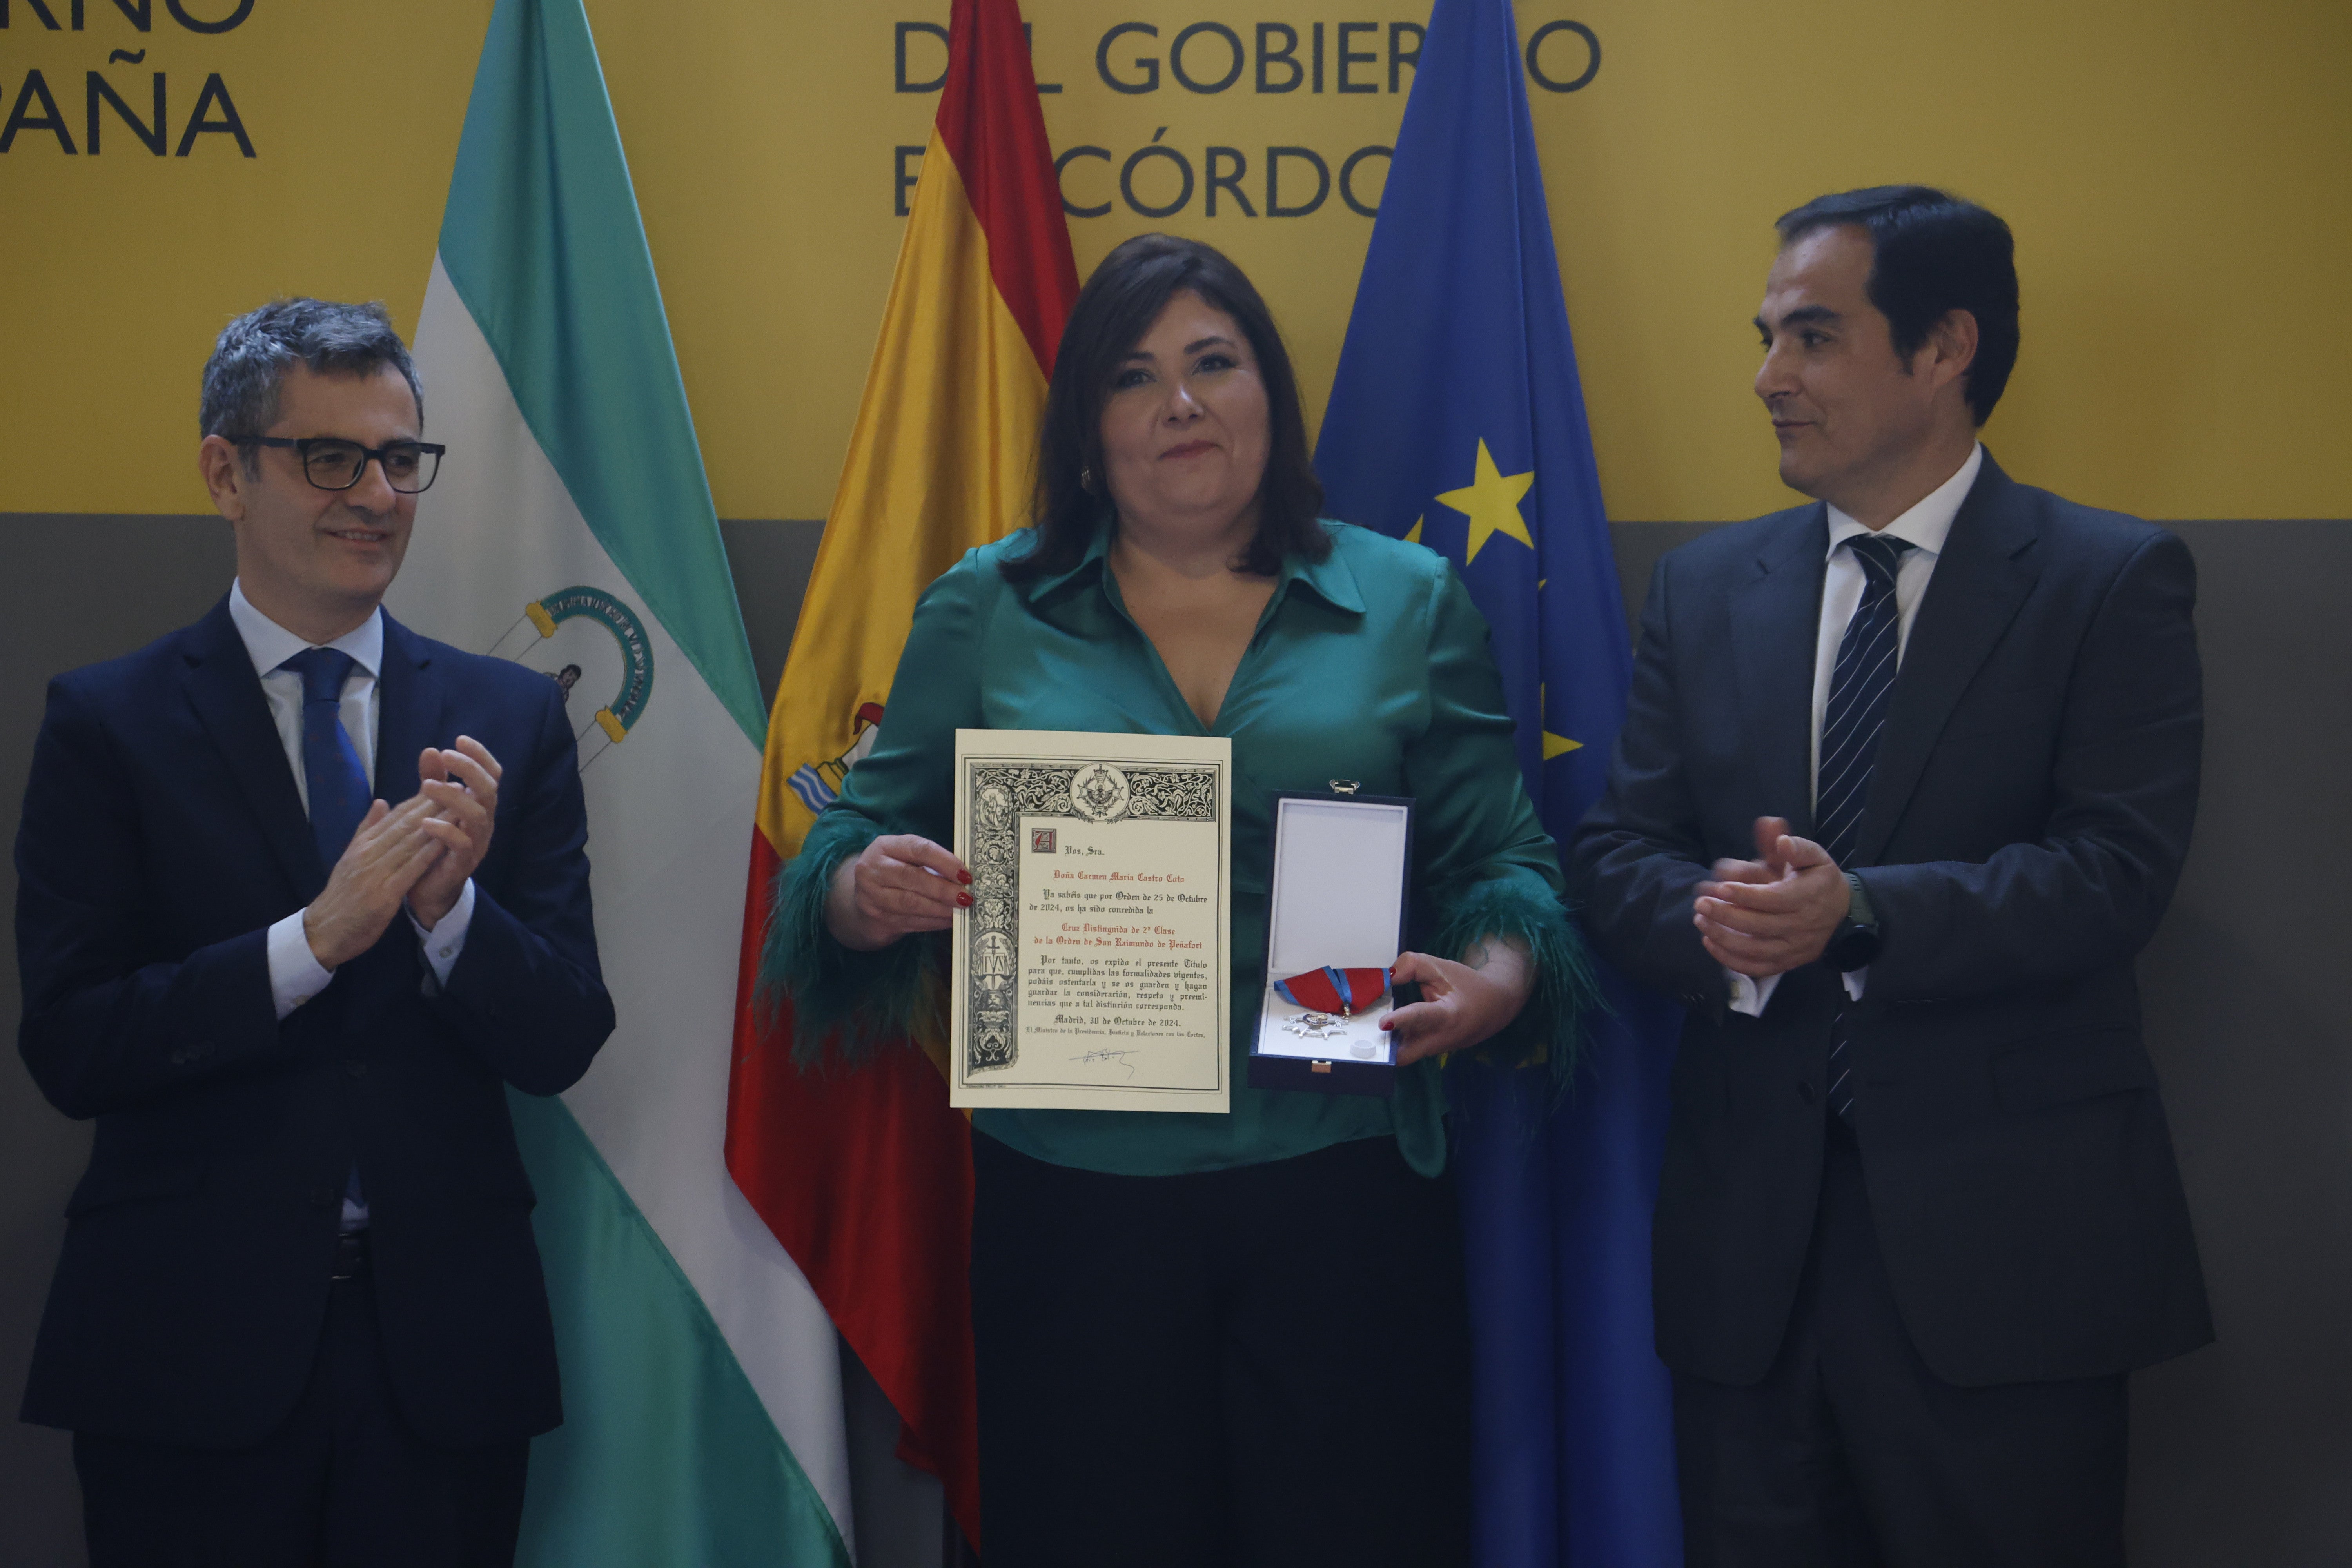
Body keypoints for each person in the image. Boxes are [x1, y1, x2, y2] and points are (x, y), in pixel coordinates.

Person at [764, 233, 1588, 1566]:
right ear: (1088, 427)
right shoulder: (991, 603)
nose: (1183, 402)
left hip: (1343, 1190)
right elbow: (856, 837)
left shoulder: (1407, 598)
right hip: (1074, 1205)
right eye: (1136, 377)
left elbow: (1508, 867)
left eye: (1216, 363)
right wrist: (863, 888)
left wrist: (1493, 984)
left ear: (1272, 394)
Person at [1569, 187, 2209, 1565]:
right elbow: (1618, 850)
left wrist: (1856, 914)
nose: (1767, 378)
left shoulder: (2109, 578)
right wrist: (1721, 925)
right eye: (1766, 337)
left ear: (1944, 349)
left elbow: (2114, 873)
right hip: (1754, 1267)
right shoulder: (1704, 588)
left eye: (1812, 336)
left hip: (2009, 1262)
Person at [15, 299, 615, 1566]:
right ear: (225, 472)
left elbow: (566, 1033)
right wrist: (312, 941)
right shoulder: (107, 723)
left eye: (401, 459)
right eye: (330, 458)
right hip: (186, 1356)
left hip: (441, 1365)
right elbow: (74, 1045)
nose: (377, 494)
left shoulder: (509, 716)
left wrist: (452, 915)